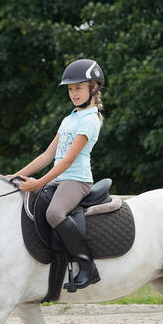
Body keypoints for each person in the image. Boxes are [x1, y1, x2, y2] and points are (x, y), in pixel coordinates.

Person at [9, 58, 105, 290]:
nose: (73, 93)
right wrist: (14, 176)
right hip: (60, 178)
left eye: (78, 88)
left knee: (54, 213)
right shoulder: (69, 119)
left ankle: (87, 266)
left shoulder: (90, 120)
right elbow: (47, 156)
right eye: (71, 89)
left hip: (77, 180)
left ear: (94, 87)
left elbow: (69, 159)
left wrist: (39, 182)